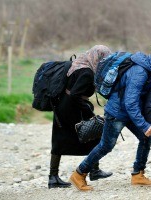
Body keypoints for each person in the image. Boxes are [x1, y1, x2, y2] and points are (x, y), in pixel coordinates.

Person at [69, 43, 151, 191]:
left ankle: (138, 175)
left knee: (145, 138)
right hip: (117, 112)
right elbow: (130, 102)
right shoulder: (140, 72)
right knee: (106, 146)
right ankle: (79, 174)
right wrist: (144, 125)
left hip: (128, 112)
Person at [48, 45, 113, 189]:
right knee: (93, 131)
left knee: (62, 138)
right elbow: (76, 95)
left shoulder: (81, 64)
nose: (105, 63)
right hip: (70, 107)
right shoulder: (87, 72)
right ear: (98, 57)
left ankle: (55, 176)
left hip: (64, 105)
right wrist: (89, 112)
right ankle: (54, 177)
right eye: (104, 59)